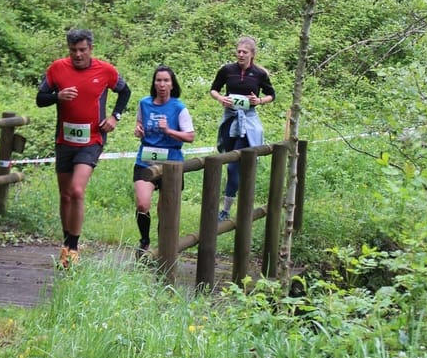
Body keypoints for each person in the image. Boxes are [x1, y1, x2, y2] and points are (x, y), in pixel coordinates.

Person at [36, 28, 131, 268]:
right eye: (73, 50)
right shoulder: (57, 68)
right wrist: (57, 96)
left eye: (82, 50)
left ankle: (74, 248)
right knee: (65, 195)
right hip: (64, 140)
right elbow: (40, 98)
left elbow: (125, 91)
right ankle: (66, 244)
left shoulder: (106, 70)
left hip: (92, 140)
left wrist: (115, 117)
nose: (78, 55)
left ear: (91, 49)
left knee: (77, 190)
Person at [209, 36, 275, 221]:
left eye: (244, 52)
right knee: (228, 159)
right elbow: (214, 89)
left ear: (252, 54)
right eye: (238, 51)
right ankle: (234, 203)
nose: (240, 54)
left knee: (233, 165)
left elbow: (271, 94)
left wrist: (259, 100)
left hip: (248, 120)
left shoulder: (259, 74)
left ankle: (226, 210)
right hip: (230, 119)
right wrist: (220, 98)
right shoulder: (227, 70)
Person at [133, 65, 195, 259]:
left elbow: (190, 136)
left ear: (172, 84)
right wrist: (138, 130)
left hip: (171, 164)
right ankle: (144, 241)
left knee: (165, 211)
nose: (162, 84)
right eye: (158, 80)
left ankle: (163, 248)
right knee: (143, 204)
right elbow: (139, 124)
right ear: (154, 83)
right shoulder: (144, 103)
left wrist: (169, 131)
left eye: (166, 81)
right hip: (146, 160)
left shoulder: (178, 107)